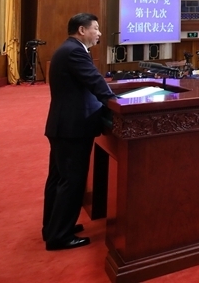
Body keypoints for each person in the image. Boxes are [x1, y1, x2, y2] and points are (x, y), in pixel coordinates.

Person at [42, 13, 115, 251]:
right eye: (96, 28)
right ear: (82, 30)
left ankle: (53, 228)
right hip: (72, 128)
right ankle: (60, 236)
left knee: (59, 178)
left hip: (63, 125)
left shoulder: (69, 48)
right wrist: (114, 102)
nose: (99, 33)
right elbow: (94, 80)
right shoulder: (75, 51)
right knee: (71, 181)